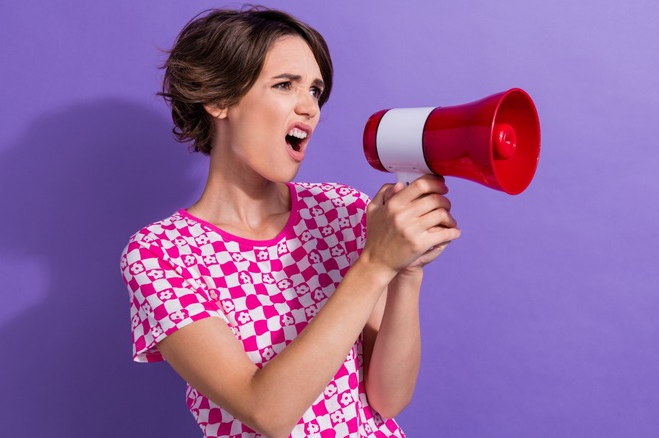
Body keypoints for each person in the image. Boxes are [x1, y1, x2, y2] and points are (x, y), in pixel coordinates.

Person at [120, 6, 461, 438]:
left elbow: (387, 399)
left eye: (316, 91)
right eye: (285, 85)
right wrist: (376, 265)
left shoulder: (343, 211)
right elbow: (266, 412)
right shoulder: (161, 255)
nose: (309, 108)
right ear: (218, 98)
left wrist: (406, 270)